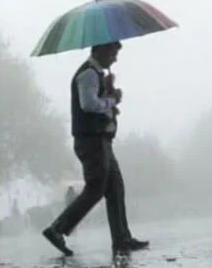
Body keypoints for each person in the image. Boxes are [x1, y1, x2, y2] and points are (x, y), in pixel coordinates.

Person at [43, 42, 148, 256]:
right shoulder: (88, 74)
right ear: (101, 50)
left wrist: (109, 92)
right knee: (95, 188)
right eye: (113, 53)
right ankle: (57, 229)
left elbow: (98, 102)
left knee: (115, 188)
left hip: (102, 140)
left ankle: (122, 239)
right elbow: (89, 104)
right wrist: (111, 99)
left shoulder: (97, 75)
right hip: (91, 140)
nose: (115, 58)